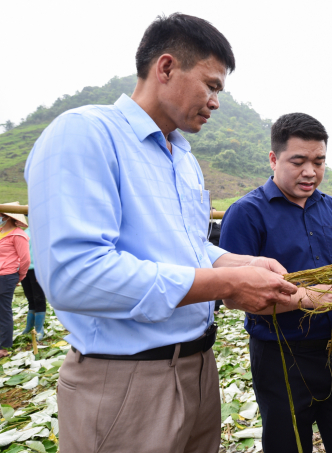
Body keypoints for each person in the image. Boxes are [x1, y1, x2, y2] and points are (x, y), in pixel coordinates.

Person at [25, 14, 298, 453]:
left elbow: (189, 249)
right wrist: (228, 282)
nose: (215, 102)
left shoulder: (183, 159)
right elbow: (76, 276)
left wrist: (240, 264)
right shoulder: (85, 134)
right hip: (124, 383)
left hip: (198, 370)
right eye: (211, 85)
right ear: (166, 67)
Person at [220, 113, 332, 453]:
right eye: (298, 161)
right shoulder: (246, 213)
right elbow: (232, 296)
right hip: (281, 355)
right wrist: (307, 297)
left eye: (319, 161)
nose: (310, 172)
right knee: (289, 445)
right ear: (273, 159)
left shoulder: (331, 207)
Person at [0, 203, 30, 358]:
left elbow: (25, 260)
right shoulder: (0, 232)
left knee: (3, 310)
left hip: (7, 276)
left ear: (7, 217)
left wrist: (20, 276)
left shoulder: (18, 235)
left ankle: (3, 347)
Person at [19, 224, 48, 340]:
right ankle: (29, 327)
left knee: (39, 298)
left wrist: (43, 270)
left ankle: (39, 329)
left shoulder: (42, 232)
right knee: (30, 298)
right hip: (24, 269)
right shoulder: (24, 232)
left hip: (37, 269)